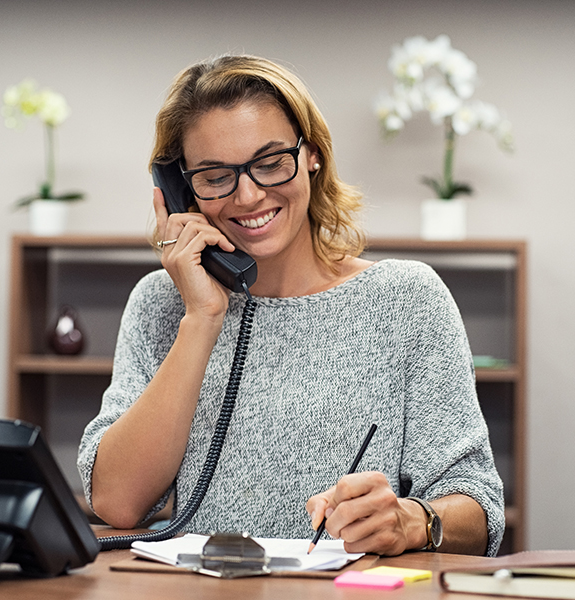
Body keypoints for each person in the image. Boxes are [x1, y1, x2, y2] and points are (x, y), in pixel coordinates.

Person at [78, 54, 504, 557]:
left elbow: (479, 507)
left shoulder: (407, 299)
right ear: (179, 189)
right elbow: (117, 504)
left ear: (312, 154)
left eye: (270, 162)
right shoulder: (162, 304)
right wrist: (202, 318)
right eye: (215, 176)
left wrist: (415, 520)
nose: (249, 195)